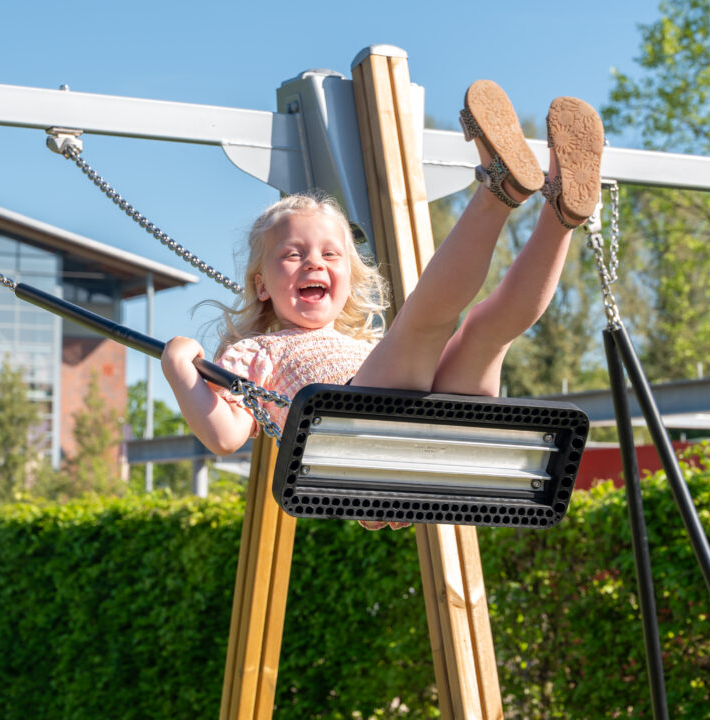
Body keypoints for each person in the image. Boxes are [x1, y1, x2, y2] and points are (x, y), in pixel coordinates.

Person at [162, 80, 603, 529]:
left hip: (427, 433)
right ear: (262, 286)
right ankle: (497, 191)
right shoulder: (256, 352)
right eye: (294, 254)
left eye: (331, 255)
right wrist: (179, 367)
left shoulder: (364, 344)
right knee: (423, 324)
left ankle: (561, 215)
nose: (314, 263)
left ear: (349, 278)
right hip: (354, 440)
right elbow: (224, 436)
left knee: (487, 332)